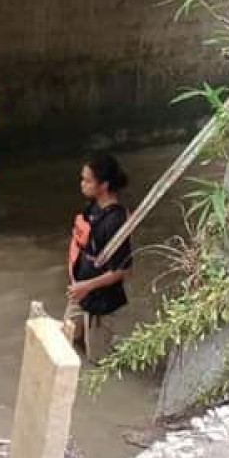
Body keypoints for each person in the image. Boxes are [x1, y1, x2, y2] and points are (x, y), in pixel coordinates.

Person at [64, 152, 133, 363]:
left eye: (87, 180)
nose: (82, 184)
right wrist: (77, 281)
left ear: (103, 185)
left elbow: (124, 270)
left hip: (100, 301)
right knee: (68, 340)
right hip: (80, 291)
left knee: (98, 360)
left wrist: (86, 286)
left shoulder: (115, 221)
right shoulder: (93, 207)